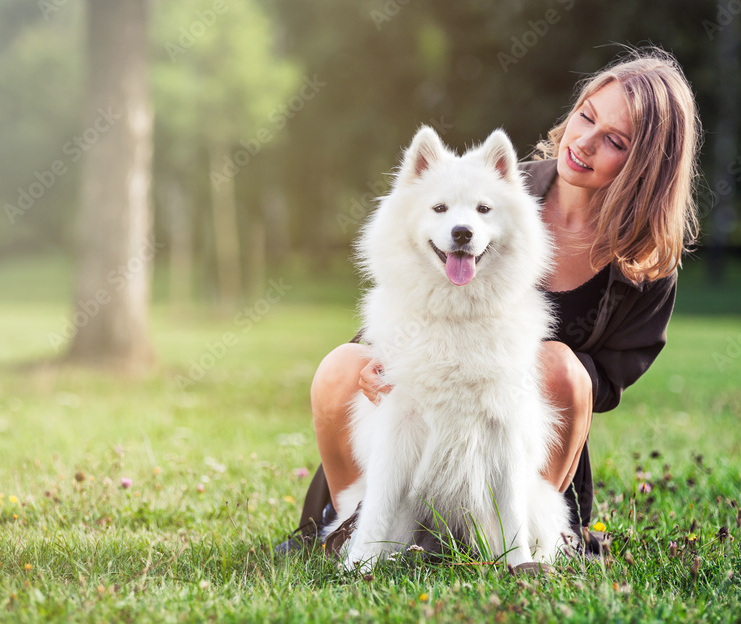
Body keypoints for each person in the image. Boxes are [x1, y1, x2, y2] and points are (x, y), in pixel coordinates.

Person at [284, 47, 702, 552]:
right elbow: (409, 281)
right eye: (586, 116)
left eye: (613, 140)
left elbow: (609, 379)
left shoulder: (644, 257)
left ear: (646, 163)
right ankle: (354, 525)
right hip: (425, 386)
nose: (585, 142)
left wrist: (511, 368)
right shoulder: (493, 186)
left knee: (557, 364)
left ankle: (528, 538)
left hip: (517, 430)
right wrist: (380, 356)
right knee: (341, 366)